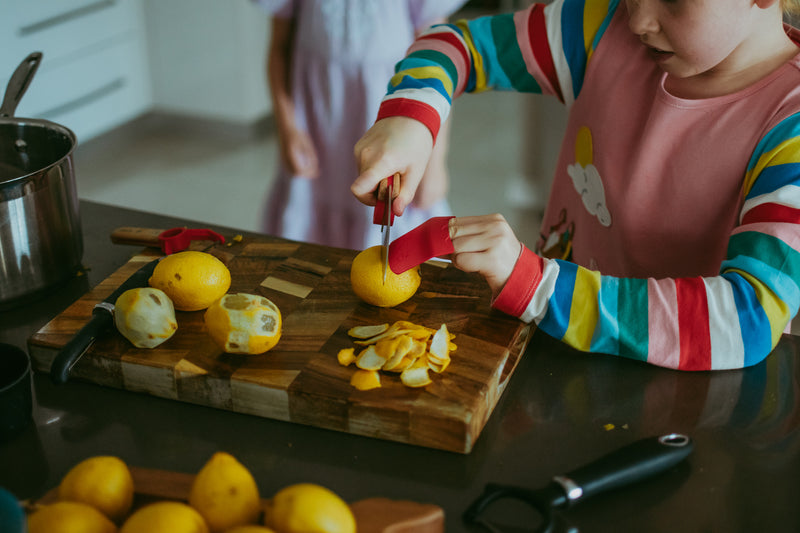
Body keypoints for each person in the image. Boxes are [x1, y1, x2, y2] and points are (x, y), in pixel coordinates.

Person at [351, 0, 800, 371]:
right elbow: (453, 44)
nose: (639, 20)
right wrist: (409, 119)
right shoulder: (602, 27)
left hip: (680, 405)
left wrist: (537, 285)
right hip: (551, 350)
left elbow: (748, 320)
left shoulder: (791, 127)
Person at [254, 0, 466, 250]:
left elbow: (438, 60)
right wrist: (287, 128)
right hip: (316, 127)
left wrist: (435, 161)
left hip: (394, 122)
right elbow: (279, 48)